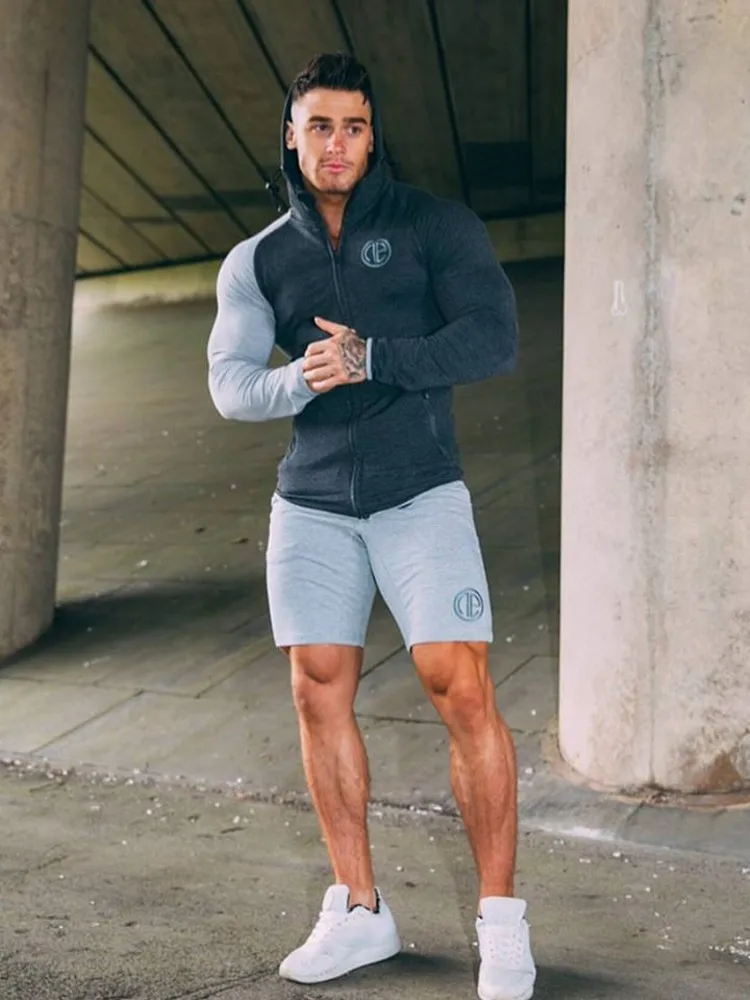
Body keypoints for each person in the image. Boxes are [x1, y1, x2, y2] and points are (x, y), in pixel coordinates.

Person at [207, 51, 535, 1000]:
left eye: (353, 126)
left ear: (371, 134)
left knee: (458, 684)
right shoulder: (258, 259)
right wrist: (300, 380)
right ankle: (360, 910)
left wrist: (374, 357)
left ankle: (501, 922)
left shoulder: (435, 225)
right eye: (319, 126)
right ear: (291, 135)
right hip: (310, 502)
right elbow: (231, 384)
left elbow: (493, 336)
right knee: (317, 690)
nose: (337, 144)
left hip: (419, 490)